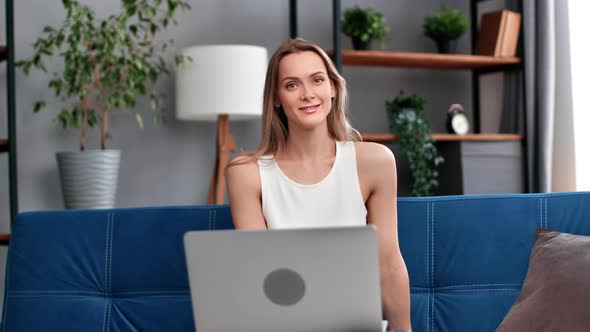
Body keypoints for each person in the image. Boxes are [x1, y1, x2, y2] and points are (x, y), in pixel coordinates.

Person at [225, 38, 412, 332]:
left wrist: (403, 330)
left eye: (317, 80)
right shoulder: (246, 173)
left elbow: (388, 263)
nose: (308, 94)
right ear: (276, 98)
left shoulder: (374, 161)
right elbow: (260, 273)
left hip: (356, 322)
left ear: (333, 88)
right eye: (292, 85)